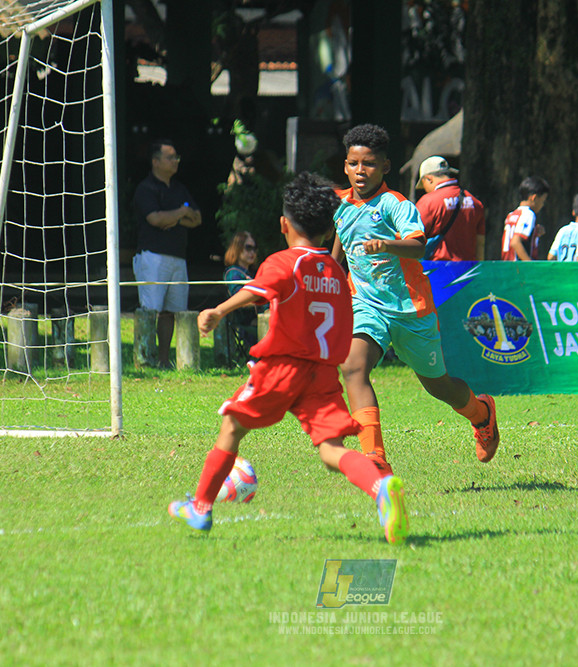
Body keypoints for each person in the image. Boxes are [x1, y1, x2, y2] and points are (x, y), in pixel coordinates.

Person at [168, 172, 410, 545]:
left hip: (282, 367)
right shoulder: (335, 271)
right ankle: (380, 488)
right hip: (322, 373)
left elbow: (257, 290)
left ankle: (200, 507)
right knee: (331, 451)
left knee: (231, 426)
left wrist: (219, 310)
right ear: (329, 231)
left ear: (284, 224)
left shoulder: (284, 262)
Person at [331, 124, 500, 476]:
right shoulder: (340, 205)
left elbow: (418, 245)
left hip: (411, 309)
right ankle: (375, 457)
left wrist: (386, 244)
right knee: (353, 367)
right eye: (354, 163)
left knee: (440, 387)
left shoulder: (396, 204)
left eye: (369, 164)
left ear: (385, 166)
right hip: (366, 305)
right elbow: (339, 249)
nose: (361, 171)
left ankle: (481, 413)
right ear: (345, 166)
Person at [132, 139, 202, 368]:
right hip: (152, 257)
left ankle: (163, 359)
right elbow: (155, 219)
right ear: (155, 161)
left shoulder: (180, 188)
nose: (175, 161)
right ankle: (144, 359)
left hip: (178, 257)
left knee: (172, 312)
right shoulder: (146, 189)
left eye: (176, 157)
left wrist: (174, 218)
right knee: (150, 311)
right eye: (170, 157)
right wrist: (182, 212)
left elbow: (197, 219)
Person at [414, 155, 486, 261]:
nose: (425, 190)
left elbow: (412, 238)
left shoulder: (428, 202)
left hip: (438, 269)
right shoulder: (476, 203)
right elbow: (480, 244)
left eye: (423, 185)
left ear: (429, 179)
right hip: (469, 269)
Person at [222, 230, 261, 354]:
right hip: (245, 320)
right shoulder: (233, 273)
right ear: (237, 248)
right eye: (248, 248)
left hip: (259, 317)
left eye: (254, 248)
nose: (252, 252)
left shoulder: (253, 273)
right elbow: (238, 299)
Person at [501, 176, 549, 261]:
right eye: (543, 200)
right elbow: (515, 242)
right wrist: (530, 265)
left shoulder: (511, 215)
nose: (542, 205)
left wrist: (534, 233)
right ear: (534, 198)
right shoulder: (528, 214)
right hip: (519, 266)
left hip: (507, 264)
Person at [548, 191, 578, 261]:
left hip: (562, 268)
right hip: (577, 268)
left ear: (573, 212)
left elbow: (551, 257)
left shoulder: (563, 230)